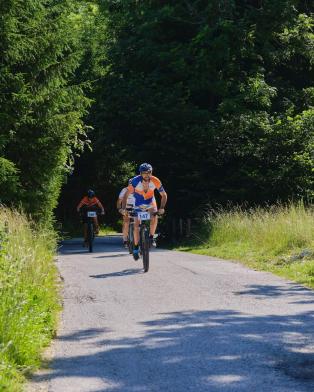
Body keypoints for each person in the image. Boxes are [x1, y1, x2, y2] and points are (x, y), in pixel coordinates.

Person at [121, 163, 167, 260]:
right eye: (144, 173)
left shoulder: (156, 181)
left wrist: (162, 208)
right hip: (138, 203)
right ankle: (136, 248)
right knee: (136, 226)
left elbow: (164, 195)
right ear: (140, 173)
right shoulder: (135, 181)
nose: (147, 175)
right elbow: (125, 195)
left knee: (154, 216)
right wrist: (124, 209)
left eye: (148, 172)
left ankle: (151, 237)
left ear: (151, 172)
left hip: (150, 202)